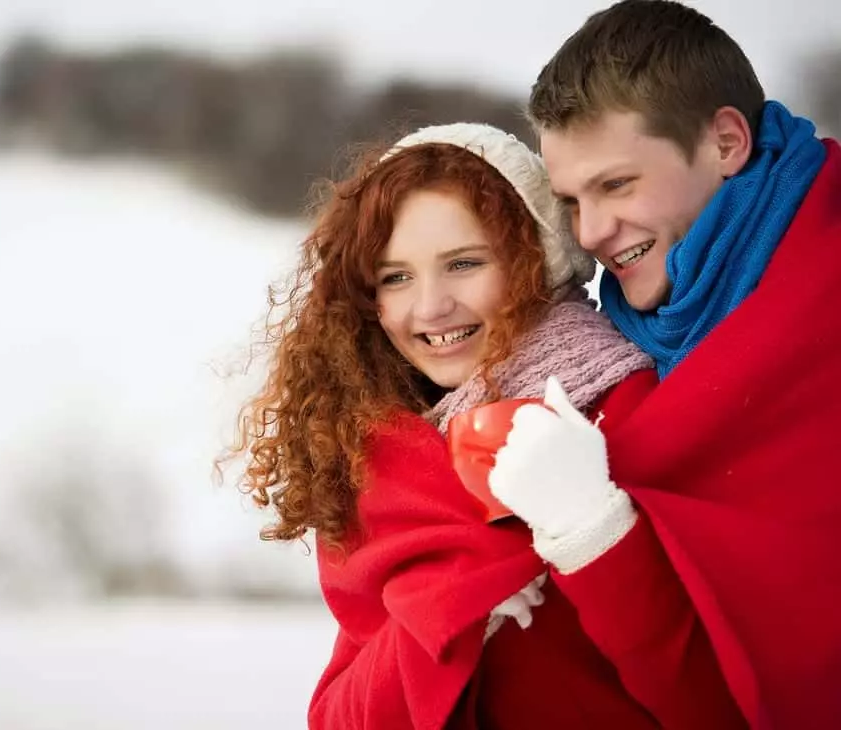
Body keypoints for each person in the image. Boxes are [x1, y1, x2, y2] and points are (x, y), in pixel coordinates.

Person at [225, 122, 746, 728]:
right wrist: (449, 608)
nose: (430, 306)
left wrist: (596, 534)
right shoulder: (382, 459)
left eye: (464, 263)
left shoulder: (635, 412)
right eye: (395, 277)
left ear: (538, 262)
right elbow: (339, 717)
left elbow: (725, 696)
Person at [488, 1, 841, 727]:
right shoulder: (604, 358)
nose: (591, 233)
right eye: (571, 200)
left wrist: (592, 531)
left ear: (725, 142)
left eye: (617, 185)